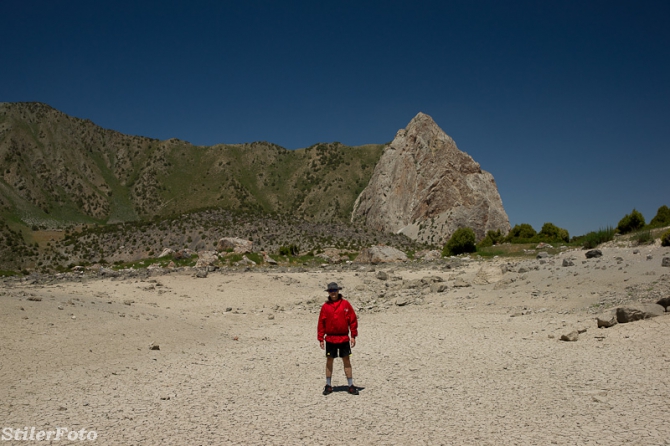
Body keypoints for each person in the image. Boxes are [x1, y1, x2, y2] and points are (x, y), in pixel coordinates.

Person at [317, 282, 359, 395]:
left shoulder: (345, 304)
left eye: (334, 290)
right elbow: (321, 323)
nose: (333, 293)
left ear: (338, 291)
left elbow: (353, 320)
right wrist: (320, 338)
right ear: (328, 292)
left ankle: (350, 385)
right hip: (330, 339)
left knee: (346, 360)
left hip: (344, 338)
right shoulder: (325, 307)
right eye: (331, 291)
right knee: (329, 360)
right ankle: (328, 385)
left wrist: (353, 336)